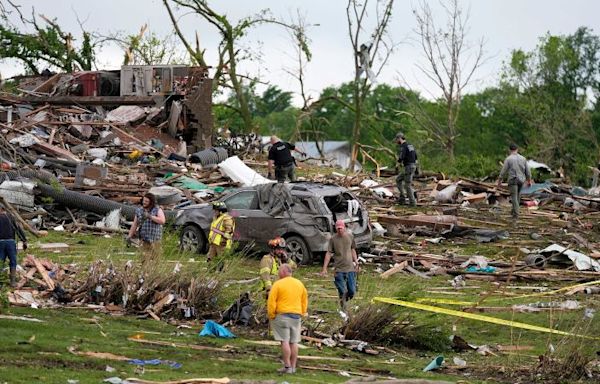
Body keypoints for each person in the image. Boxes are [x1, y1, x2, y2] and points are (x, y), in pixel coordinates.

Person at [267, 264, 308, 374]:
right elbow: (304, 300)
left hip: (282, 315)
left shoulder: (278, 284)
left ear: (284, 272)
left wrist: (271, 315)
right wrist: (303, 312)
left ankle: (287, 366)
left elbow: (271, 301)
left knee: (284, 340)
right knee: (294, 341)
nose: (278, 273)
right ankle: (293, 367)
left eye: (279, 271)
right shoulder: (299, 284)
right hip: (296, 316)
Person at [320, 220, 359, 311]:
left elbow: (353, 249)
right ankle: (344, 308)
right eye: (338, 229)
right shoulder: (333, 239)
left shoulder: (350, 236)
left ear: (344, 227)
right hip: (339, 270)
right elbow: (329, 253)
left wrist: (356, 261)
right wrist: (324, 268)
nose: (339, 230)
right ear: (336, 229)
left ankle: (343, 300)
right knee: (342, 291)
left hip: (350, 268)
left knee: (352, 291)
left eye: (341, 228)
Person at [127, 193, 166, 267]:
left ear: (151, 202)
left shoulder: (157, 210)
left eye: (146, 201)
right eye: (144, 201)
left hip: (155, 240)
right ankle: (144, 274)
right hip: (143, 239)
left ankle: (155, 275)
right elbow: (135, 224)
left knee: (156, 260)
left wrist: (150, 216)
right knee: (144, 260)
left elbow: (162, 221)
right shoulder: (139, 210)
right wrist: (129, 236)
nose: (144, 203)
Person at [497, 143, 533, 222]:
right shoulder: (523, 158)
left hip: (513, 180)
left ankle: (516, 216)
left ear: (509, 150)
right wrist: (529, 180)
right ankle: (513, 212)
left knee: (514, 197)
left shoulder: (508, 159)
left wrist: (500, 180)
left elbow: (503, 171)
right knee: (517, 197)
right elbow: (528, 171)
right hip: (521, 180)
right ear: (517, 149)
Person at [0, 204, 27, 287]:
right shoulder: (10, 217)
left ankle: (1, 282)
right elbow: (18, 229)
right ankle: (13, 281)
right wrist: (24, 240)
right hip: (10, 242)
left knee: (1, 261)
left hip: (1, 243)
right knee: (13, 261)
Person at [395, 132, 418, 206]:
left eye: (397, 139)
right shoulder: (410, 145)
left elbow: (401, 157)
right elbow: (416, 156)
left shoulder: (403, 146)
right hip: (412, 166)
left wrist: (397, 165)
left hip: (408, 167)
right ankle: (402, 197)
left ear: (400, 138)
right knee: (398, 179)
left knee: (407, 185)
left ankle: (412, 202)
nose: (397, 141)